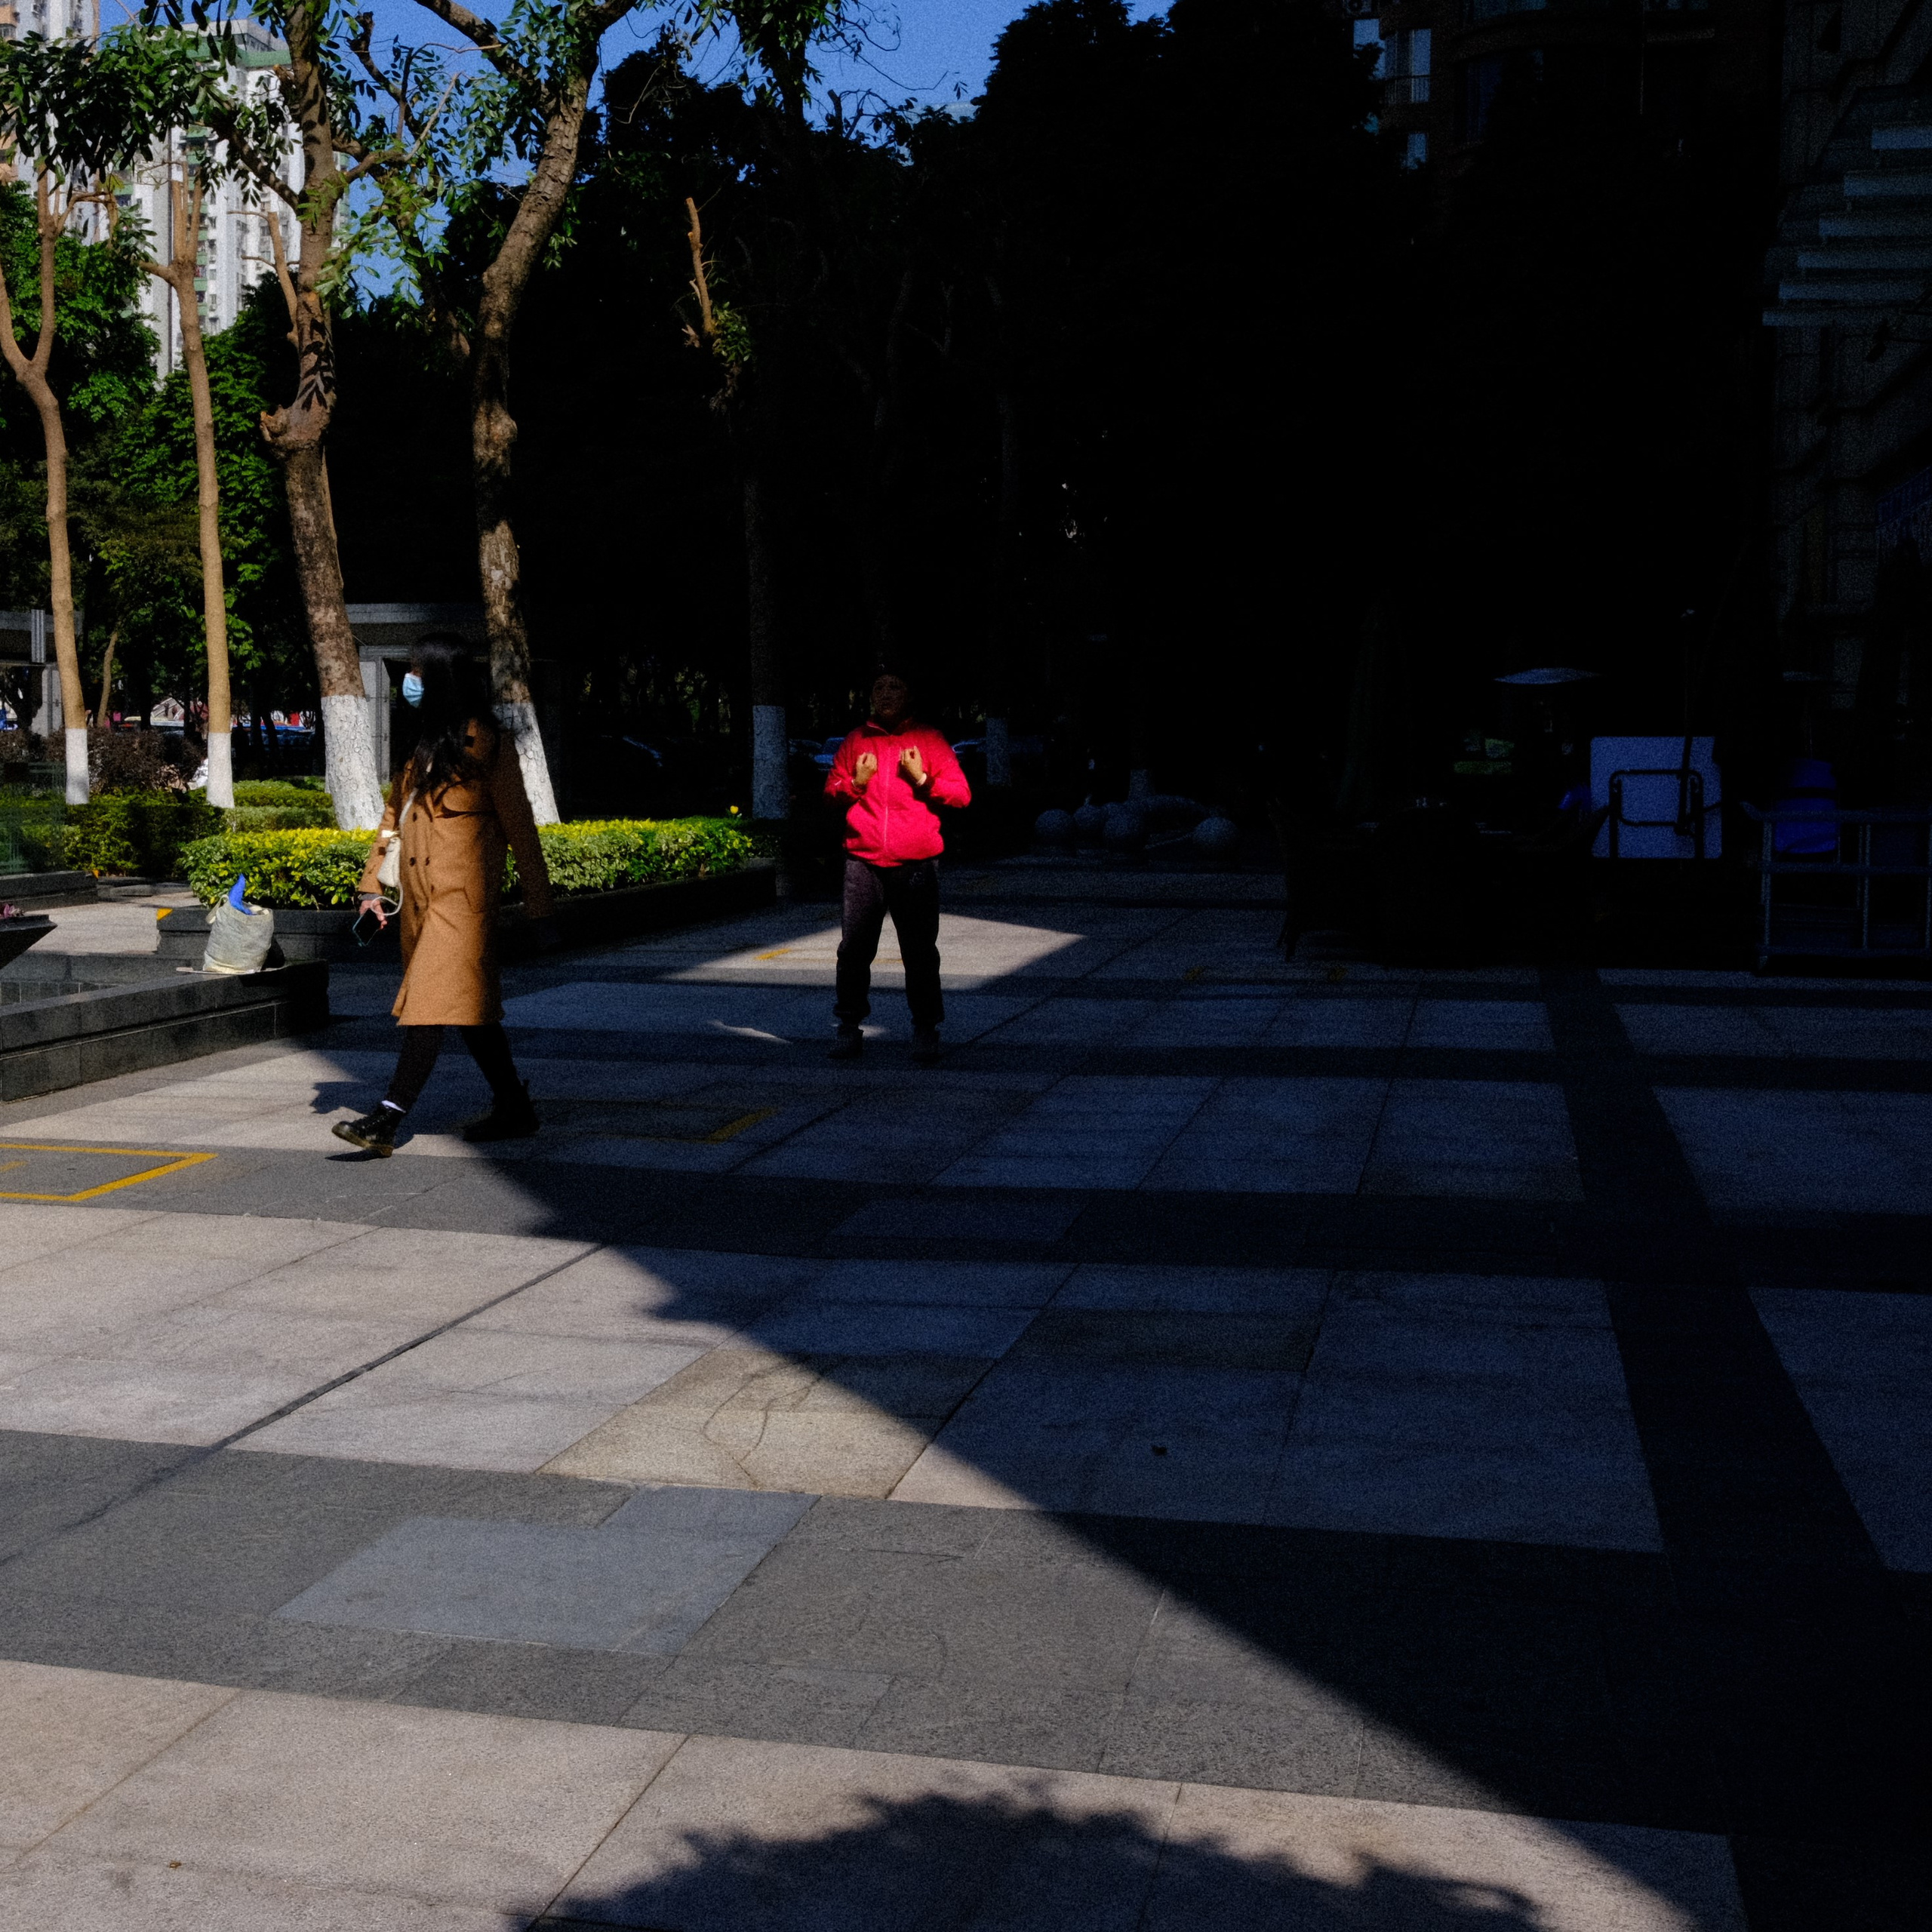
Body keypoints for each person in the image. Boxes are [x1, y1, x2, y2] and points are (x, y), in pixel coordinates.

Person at [333, 636, 555, 1155]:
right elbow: (392, 822)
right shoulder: (423, 747)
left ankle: (386, 1120)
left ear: (439, 680)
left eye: (416, 671)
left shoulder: (489, 746)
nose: (409, 682)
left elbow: (522, 831)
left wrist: (540, 911)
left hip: (464, 907)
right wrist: (370, 886)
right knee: (469, 1012)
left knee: (428, 1006)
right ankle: (514, 1107)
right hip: (419, 904)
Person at [823, 668, 971, 1063]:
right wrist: (856, 781)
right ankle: (848, 1027)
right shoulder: (856, 741)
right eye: (879, 687)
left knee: (920, 952)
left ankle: (926, 1029)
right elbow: (831, 791)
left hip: (916, 863)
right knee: (853, 950)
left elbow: (961, 795)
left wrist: (922, 778)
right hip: (863, 862)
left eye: (896, 687)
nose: (887, 693)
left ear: (909, 695)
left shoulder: (930, 739)